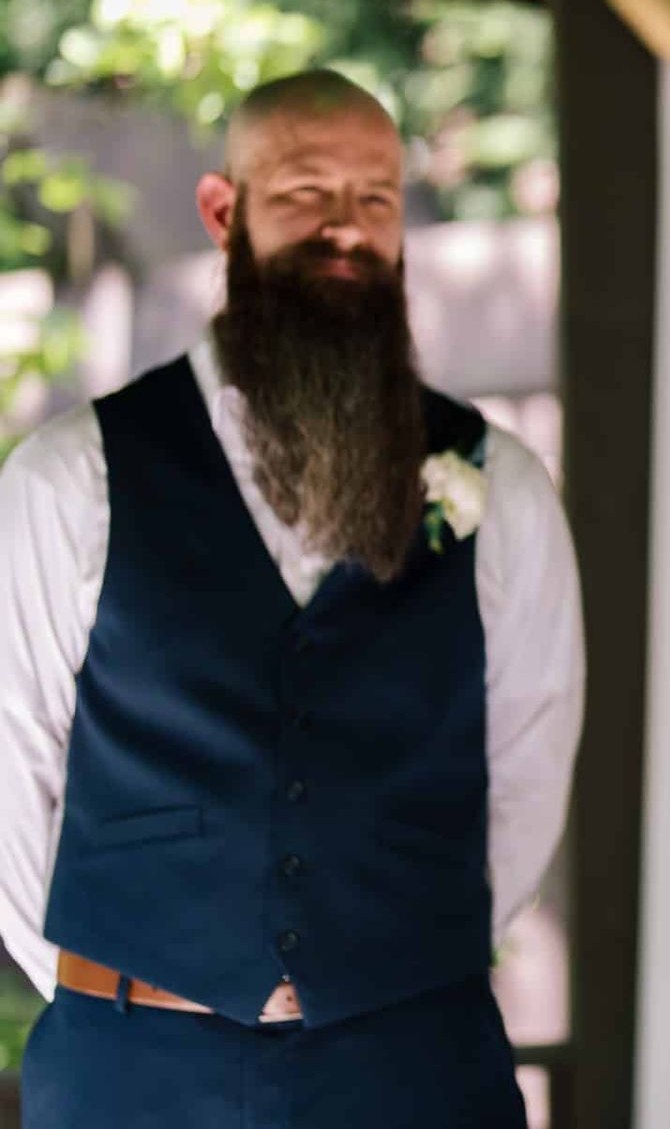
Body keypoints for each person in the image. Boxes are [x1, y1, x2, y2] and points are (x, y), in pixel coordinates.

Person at [0, 70, 585, 1128]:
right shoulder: (69, 474)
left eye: (375, 198)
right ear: (224, 211)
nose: (346, 230)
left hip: (414, 1064)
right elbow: (12, 759)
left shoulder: (499, 481)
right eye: (306, 192)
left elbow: (530, 761)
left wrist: (389, 963)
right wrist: (132, 989)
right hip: (132, 1072)